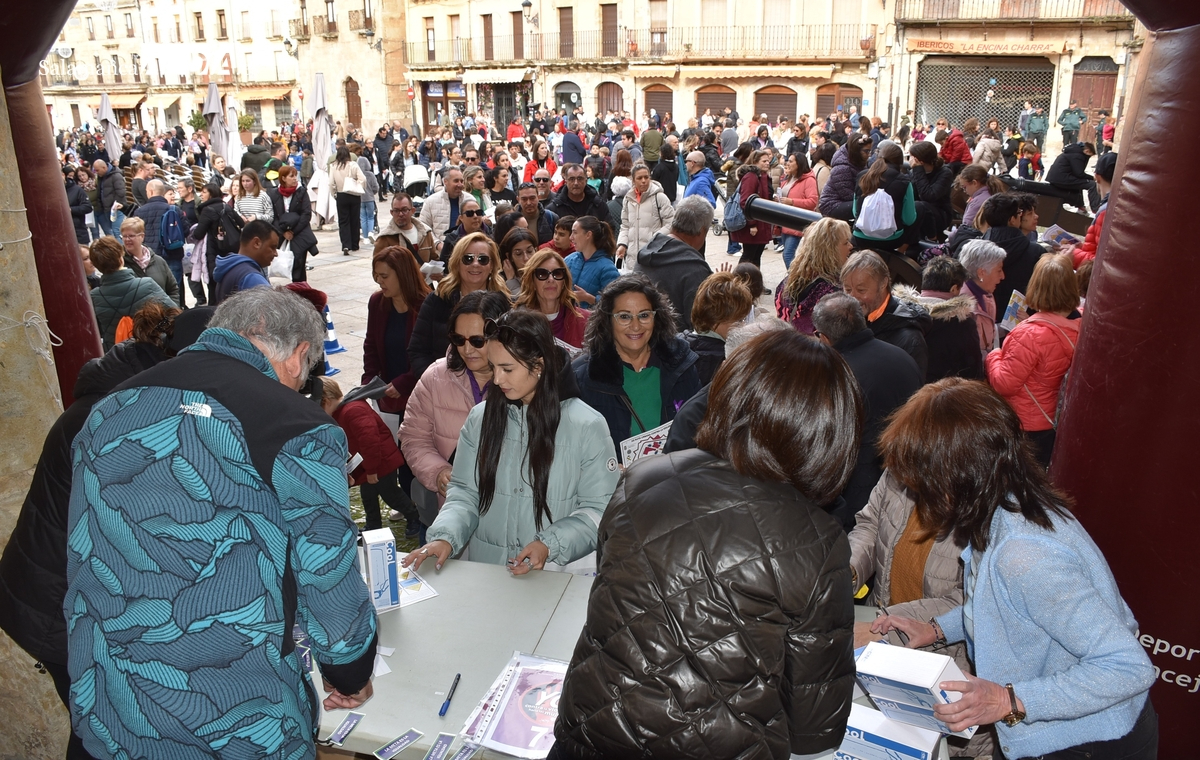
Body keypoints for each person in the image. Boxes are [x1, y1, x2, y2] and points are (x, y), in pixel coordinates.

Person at [64, 288, 379, 759]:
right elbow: (327, 573)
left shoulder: (109, 407)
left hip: (111, 709)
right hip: (233, 719)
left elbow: (86, 549)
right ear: (298, 357)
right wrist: (350, 672)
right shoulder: (296, 425)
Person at [552, 329, 860, 760]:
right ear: (827, 433)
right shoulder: (817, 542)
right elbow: (815, 729)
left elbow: (613, 602)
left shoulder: (642, 478)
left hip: (589, 731)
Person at [871, 378, 1157, 760]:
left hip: (1083, 743)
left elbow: (1129, 667)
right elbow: (1001, 608)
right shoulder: (1006, 507)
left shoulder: (1024, 556)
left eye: (923, 485)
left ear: (957, 478)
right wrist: (939, 628)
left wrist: (1010, 699)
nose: (918, 496)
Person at [0, 302, 210, 760]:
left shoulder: (130, 392)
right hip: (56, 604)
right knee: (106, 730)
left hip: (50, 592)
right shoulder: (119, 415)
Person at [404, 308, 619, 572]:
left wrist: (549, 544)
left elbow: (599, 510)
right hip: (490, 574)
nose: (497, 379)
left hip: (556, 577)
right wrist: (444, 537)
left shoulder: (587, 425)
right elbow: (464, 493)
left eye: (507, 369)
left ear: (538, 365)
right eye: (493, 367)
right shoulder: (480, 418)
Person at [400, 291, 512, 532]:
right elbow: (413, 437)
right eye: (458, 339)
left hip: (510, 520)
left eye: (477, 340)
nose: (467, 349)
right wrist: (438, 471)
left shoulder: (525, 381)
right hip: (452, 517)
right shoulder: (435, 377)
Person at [811, 293, 922, 530]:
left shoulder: (837, 375)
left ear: (825, 338)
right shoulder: (901, 355)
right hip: (909, 476)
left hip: (859, 490)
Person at [573, 275, 701, 460]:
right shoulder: (584, 376)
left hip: (673, 482)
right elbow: (572, 449)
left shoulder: (682, 365)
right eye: (624, 316)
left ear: (656, 317)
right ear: (608, 321)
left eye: (644, 315)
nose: (635, 326)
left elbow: (700, 430)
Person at [985, 253, 1080, 466]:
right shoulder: (1081, 326)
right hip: (1050, 422)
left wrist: (994, 354)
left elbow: (1004, 384)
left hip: (1022, 424)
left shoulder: (1030, 334)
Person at [409, 232, 507, 378]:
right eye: (468, 259)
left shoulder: (504, 304)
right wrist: (437, 382)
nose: (475, 264)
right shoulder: (437, 299)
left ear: (492, 265)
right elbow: (417, 351)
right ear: (457, 263)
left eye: (483, 259)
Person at [894, 256, 985, 383]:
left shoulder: (899, 311)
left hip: (905, 389)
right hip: (942, 395)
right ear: (954, 289)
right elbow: (973, 372)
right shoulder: (962, 324)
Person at [842, 250, 930, 377]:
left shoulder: (910, 339)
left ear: (883, 284)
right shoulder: (844, 319)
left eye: (861, 290)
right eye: (848, 289)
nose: (852, 297)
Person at [634, 196, 714, 331]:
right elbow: (700, 326)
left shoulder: (646, 251)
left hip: (639, 338)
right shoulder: (695, 269)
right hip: (675, 346)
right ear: (702, 232)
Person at [87, 237, 175, 350]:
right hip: (151, 350)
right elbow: (174, 313)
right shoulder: (147, 284)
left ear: (96, 265)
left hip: (117, 355)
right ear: (121, 258)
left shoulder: (94, 296)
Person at [774, 217, 852, 336]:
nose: (851, 246)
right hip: (812, 350)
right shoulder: (832, 291)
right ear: (831, 250)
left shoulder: (790, 280)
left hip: (787, 343)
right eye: (846, 243)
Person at [682, 271, 755, 385]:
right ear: (718, 318)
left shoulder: (680, 342)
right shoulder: (725, 359)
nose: (743, 325)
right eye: (739, 320)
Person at [981, 194, 1046, 320]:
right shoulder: (1036, 252)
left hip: (983, 319)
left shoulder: (972, 249)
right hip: (1021, 321)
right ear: (1012, 219)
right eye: (1019, 212)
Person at [851, 141, 918, 252]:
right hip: (891, 240)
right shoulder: (904, 181)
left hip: (860, 237)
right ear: (899, 161)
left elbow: (855, 212)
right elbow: (909, 219)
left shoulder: (862, 176)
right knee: (919, 208)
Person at [515, 248, 588, 347]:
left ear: (563, 282)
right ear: (532, 282)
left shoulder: (586, 321)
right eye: (542, 274)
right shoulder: (517, 324)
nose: (551, 279)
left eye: (557, 273)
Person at [615, 163, 674, 265]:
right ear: (633, 180)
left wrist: (654, 239)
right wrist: (622, 244)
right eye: (639, 178)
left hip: (654, 256)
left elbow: (670, 224)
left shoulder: (660, 197)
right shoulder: (628, 199)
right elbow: (625, 225)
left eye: (646, 177)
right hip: (632, 259)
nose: (643, 181)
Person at [268, 165, 318, 282]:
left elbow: (306, 214)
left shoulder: (301, 192)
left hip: (299, 233)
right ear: (283, 178)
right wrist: (283, 232)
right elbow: (273, 216)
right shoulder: (274, 194)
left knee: (299, 264)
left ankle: (300, 287)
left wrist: (293, 231)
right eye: (291, 176)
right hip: (282, 233)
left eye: (296, 175)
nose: (295, 178)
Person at [211, 219, 279, 304]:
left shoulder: (229, 266)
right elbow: (272, 312)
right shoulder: (251, 277)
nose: (276, 254)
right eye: (272, 247)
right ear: (256, 243)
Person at [120, 216, 180, 307]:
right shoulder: (120, 263)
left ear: (142, 236)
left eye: (131, 236)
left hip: (163, 316)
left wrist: (172, 311)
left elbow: (172, 289)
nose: (127, 239)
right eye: (124, 236)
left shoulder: (158, 261)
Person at [1071, 152, 1118, 268]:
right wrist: (1082, 247)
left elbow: (1101, 263)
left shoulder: (1107, 211)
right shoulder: (1119, 204)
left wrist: (1073, 255)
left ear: (1097, 177)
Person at [564, 215, 620, 308]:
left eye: (575, 233)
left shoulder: (607, 268)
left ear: (588, 235)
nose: (571, 238)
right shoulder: (569, 259)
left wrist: (589, 298)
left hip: (591, 320)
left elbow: (615, 301)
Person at [775, 152, 819, 268]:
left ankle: (794, 281)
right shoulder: (788, 177)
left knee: (788, 254)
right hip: (785, 221)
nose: (787, 163)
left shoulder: (809, 180)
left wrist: (792, 202)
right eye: (787, 160)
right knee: (788, 254)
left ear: (799, 163)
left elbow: (812, 202)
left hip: (797, 222)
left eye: (791, 161)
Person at [731, 149, 774, 267]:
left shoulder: (763, 176)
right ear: (755, 162)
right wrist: (752, 224)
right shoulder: (751, 177)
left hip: (763, 222)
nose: (767, 163)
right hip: (754, 224)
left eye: (768, 161)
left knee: (756, 255)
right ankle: (740, 281)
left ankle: (754, 283)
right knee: (749, 256)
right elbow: (745, 201)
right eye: (764, 161)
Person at [374, 192, 437, 264]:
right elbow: (378, 268)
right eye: (396, 211)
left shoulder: (425, 233)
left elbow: (434, 259)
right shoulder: (385, 238)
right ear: (392, 212)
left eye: (404, 210)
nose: (400, 214)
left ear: (413, 211)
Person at [909, 141, 954, 240]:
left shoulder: (945, 173)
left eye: (911, 156)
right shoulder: (914, 172)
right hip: (919, 212)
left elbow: (928, 196)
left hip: (940, 214)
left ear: (919, 161)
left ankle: (932, 238)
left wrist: (918, 170)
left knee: (920, 206)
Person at [818, 133, 870, 220]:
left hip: (844, 202)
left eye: (870, 151)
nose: (869, 155)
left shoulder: (859, 162)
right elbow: (846, 194)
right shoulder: (842, 167)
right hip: (831, 205)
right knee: (864, 206)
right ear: (856, 151)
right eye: (866, 151)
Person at [548, 164, 611, 228]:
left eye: (580, 179)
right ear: (566, 182)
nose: (576, 183)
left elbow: (609, 229)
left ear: (586, 181)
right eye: (572, 179)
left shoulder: (598, 205)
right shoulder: (555, 208)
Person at [330, 145, 366, 254]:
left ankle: (346, 244)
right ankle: (355, 244)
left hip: (341, 195)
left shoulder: (333, 166)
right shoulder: (353, 165)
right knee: (354, 219)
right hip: (354, 194)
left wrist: (334, 194)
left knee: (343, 221)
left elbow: (331, 183)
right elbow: (363, 179)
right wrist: (359, 187)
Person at [1046, 141, 1100, 212]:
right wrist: (1092, 178)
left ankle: (1081, 206)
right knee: (1092, 184)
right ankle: (1096, 209)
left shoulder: (1072, 152)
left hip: (1057, 178)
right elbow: (1079, 173)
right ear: (1087, 151)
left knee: (1079, 183)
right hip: (1063, 178)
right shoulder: (1078, 156)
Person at [438, 196, 492, 263]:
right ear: (461, 218)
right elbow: (445, 268)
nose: (475, 216)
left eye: (478, 212)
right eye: (470, 213)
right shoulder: (451, 239)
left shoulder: (492, 236)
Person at [958, 165, 1004, 230]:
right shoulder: (991, 192)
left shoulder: (978, 202)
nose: (964, 191)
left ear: (974, 183)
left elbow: (966, 227)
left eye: (964, 187)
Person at [516, 181, 558, 247]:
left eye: (532, 198)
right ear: (518, 199)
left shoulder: (551, 217)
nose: (529, 203)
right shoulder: (511, 220)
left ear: (538, 197)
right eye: (524, 199)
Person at [498, 227, 538, 294]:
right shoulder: (500, 281)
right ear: (509, 257)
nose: (526, 258)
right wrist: (511, 281)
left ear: (536, 250)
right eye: (518, 254)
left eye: (530, 251)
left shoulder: (544, 274)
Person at [63, 166, 93, 245]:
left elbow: (87, 207)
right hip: (63, 235)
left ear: (63, 175)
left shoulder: (77, 189)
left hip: (78, 232)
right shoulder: (53, 192)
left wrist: (71, 210)